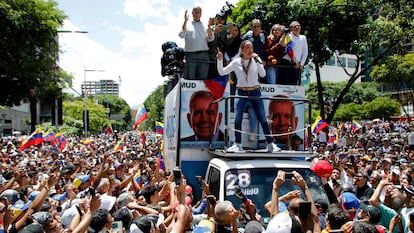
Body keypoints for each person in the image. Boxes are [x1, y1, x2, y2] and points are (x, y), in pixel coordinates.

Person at [216, 40, 281, 153]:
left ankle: (270, 143)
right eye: (247, 48)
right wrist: (220, 59)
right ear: (242, 50)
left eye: (251, 47)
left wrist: (258, 61)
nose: (250, 50)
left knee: (262, 118)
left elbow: (263, 74)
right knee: (238, 118)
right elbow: (222, 72)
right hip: (241, 92)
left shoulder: (256, 60)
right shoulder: (236, 62)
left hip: (255, 91)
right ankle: (238, 144)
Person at [179, 6, 214, 80]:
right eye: (195, 11)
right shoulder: (187, 25)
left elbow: (210, 39)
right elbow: (182, 35)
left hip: (203, 55)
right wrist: (185, 21)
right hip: (191, 55)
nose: (197, 14)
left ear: (201, 13)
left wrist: (209, 27)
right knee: (190, 79)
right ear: (192, 13)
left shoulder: (205, 25)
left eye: (199, 12)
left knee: (203, 79)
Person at [279, 21, 308, 85]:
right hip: (286, 62)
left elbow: (305, 52)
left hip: (296, 65)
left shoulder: (303, 38)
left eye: (298, 26)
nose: (297, 27)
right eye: (295, 26)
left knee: (294, 84)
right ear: (291, 28)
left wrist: (301, 64)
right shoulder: (288, 36)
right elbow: (287, 47)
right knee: (285, 84)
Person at [242, 19, 268, 84]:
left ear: (260, 27)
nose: (256, 28)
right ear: (251, 27)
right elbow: (241, 50)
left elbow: (265, 49)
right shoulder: (246, 37)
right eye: (254, 26)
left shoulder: (263, 36)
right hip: (249, 63)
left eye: (258, 26)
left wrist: (265, 60)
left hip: (260, 63)